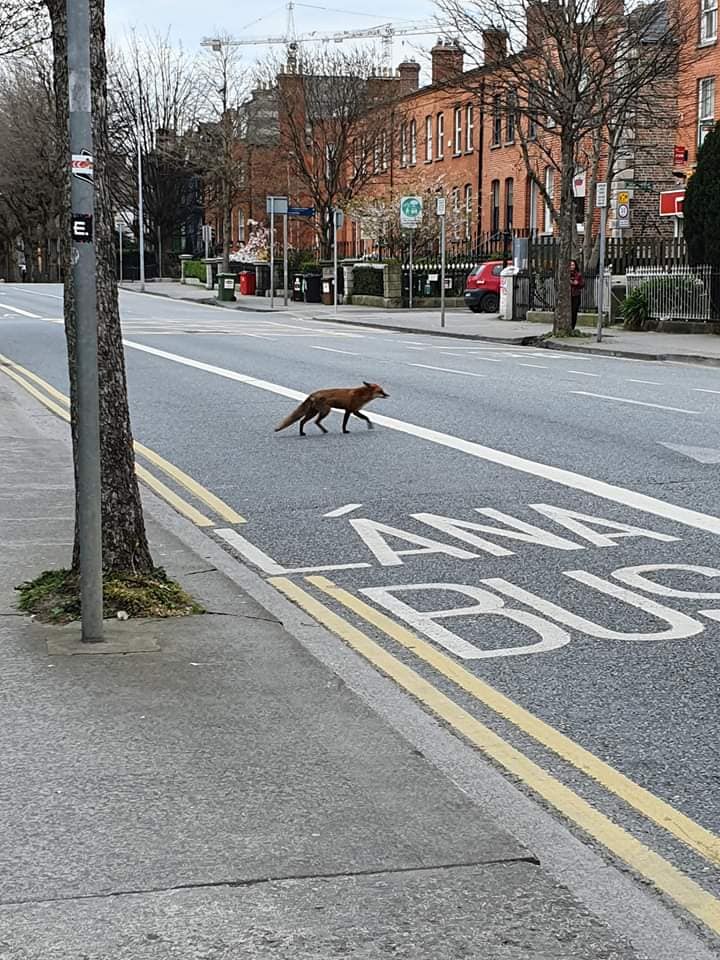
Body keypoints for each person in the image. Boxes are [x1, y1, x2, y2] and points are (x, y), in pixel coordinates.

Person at [570, 259, 584, 331]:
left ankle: (572, 327)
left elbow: (581, 284)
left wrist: (576, 283)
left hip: (576, 295)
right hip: (569, 296)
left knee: (574, 312)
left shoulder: (578, 274)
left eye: (573, 265)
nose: (571, 267)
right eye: (570, 265)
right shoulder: (567, 274)